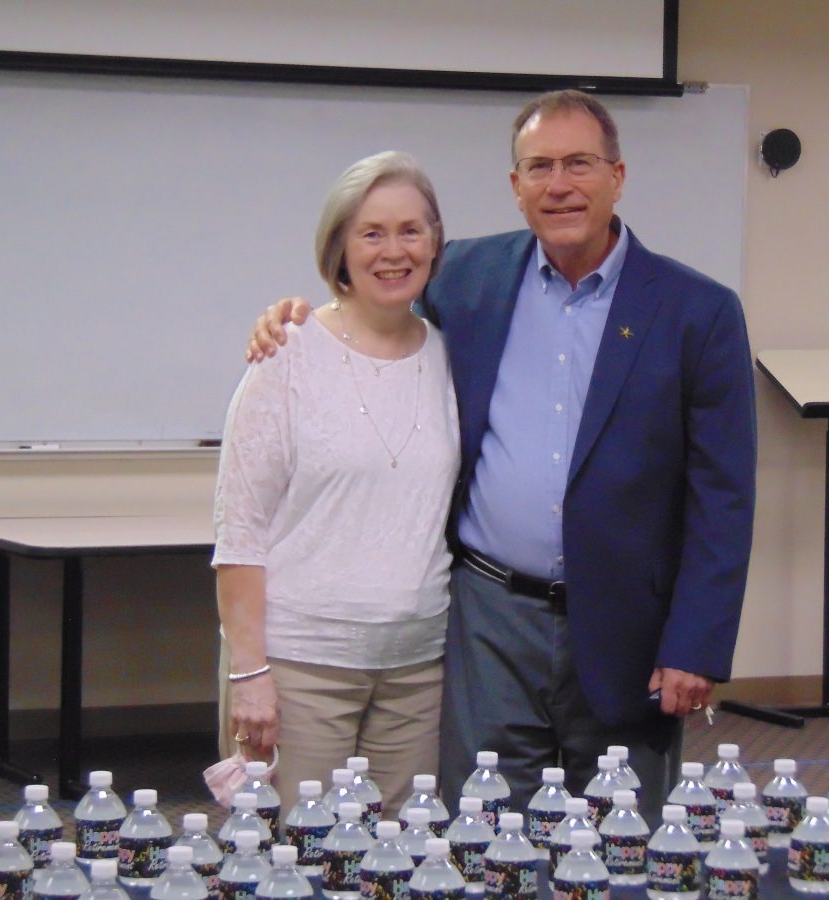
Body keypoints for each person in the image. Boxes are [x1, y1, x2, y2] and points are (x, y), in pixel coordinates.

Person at [244, 91, 756, 821]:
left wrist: (697, 644)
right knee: (479, 832)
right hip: (488, 617)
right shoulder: (463, 277)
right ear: (515, 187)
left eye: (579, 163)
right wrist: (293, 318)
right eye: (538, 167)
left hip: (625, 627)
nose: (559, 185)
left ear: (617, 174)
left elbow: (724, 497)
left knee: (622, 839)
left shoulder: (697, 312)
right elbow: (371, 302)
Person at [213, 150, 460, 818]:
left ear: (436, 244)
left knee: (402, 865)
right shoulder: (285, 355)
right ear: (339, 248)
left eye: (411, 230)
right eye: (371, 232)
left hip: (417, 670)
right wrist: (249, 674)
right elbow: (239, 533)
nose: (394, 250)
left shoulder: (451, 355)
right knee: (298, 864)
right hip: (299, 669)